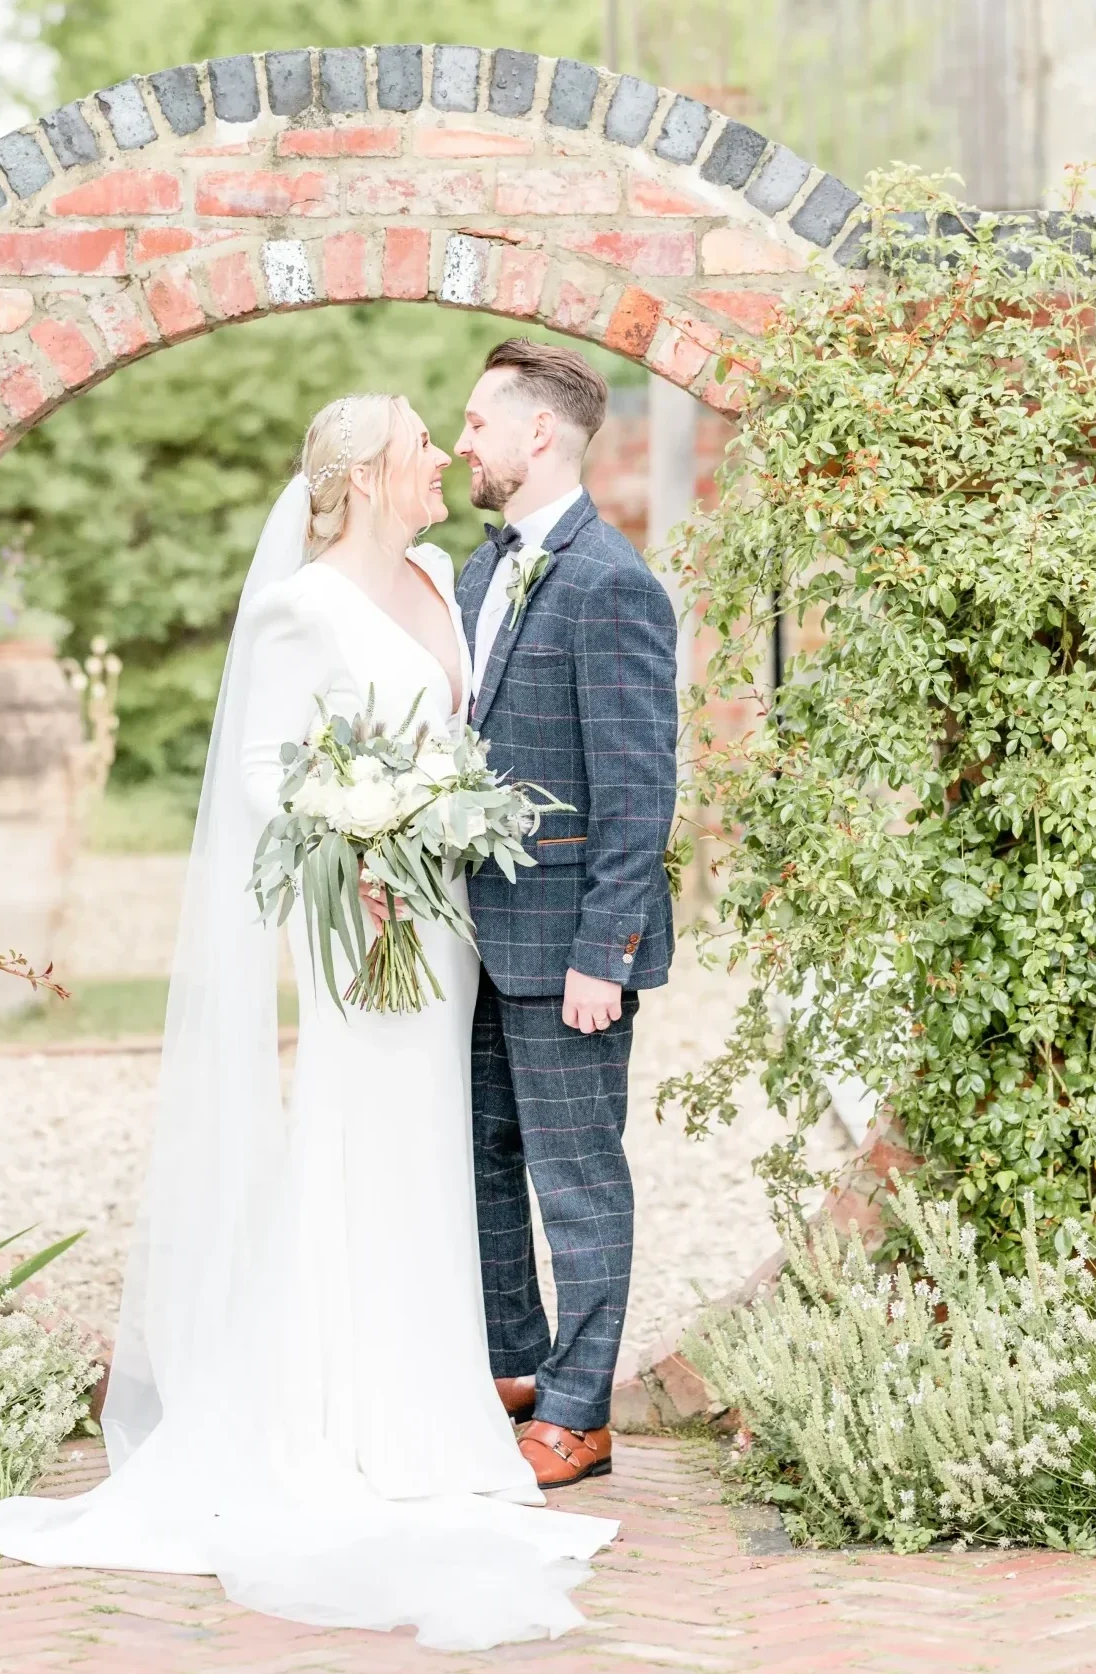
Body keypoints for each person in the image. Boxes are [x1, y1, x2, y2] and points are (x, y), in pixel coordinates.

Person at [0, 385, 630, 1651]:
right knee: (363, 1148)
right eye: (417, 446)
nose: (440, 457)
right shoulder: (300, 609)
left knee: (437, 1165)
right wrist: (361, 847)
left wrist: (426, 830)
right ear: (358, 476)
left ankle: (430, 1411)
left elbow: (457, 739)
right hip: (363, 935)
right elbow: (260, 772)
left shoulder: (442, 577)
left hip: (445, 925)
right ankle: (345, 1423)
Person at [454, 340, 679, 1490]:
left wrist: (608, 952)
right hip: (470, 945)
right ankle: (516, 1367)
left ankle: (581, 1415)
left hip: (568, 954)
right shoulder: (471, 572)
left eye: (476, 423)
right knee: (477, 1160)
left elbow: (638, 790)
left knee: (576, 1174)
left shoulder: (611, 583)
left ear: (536, 432)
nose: (461, 444)